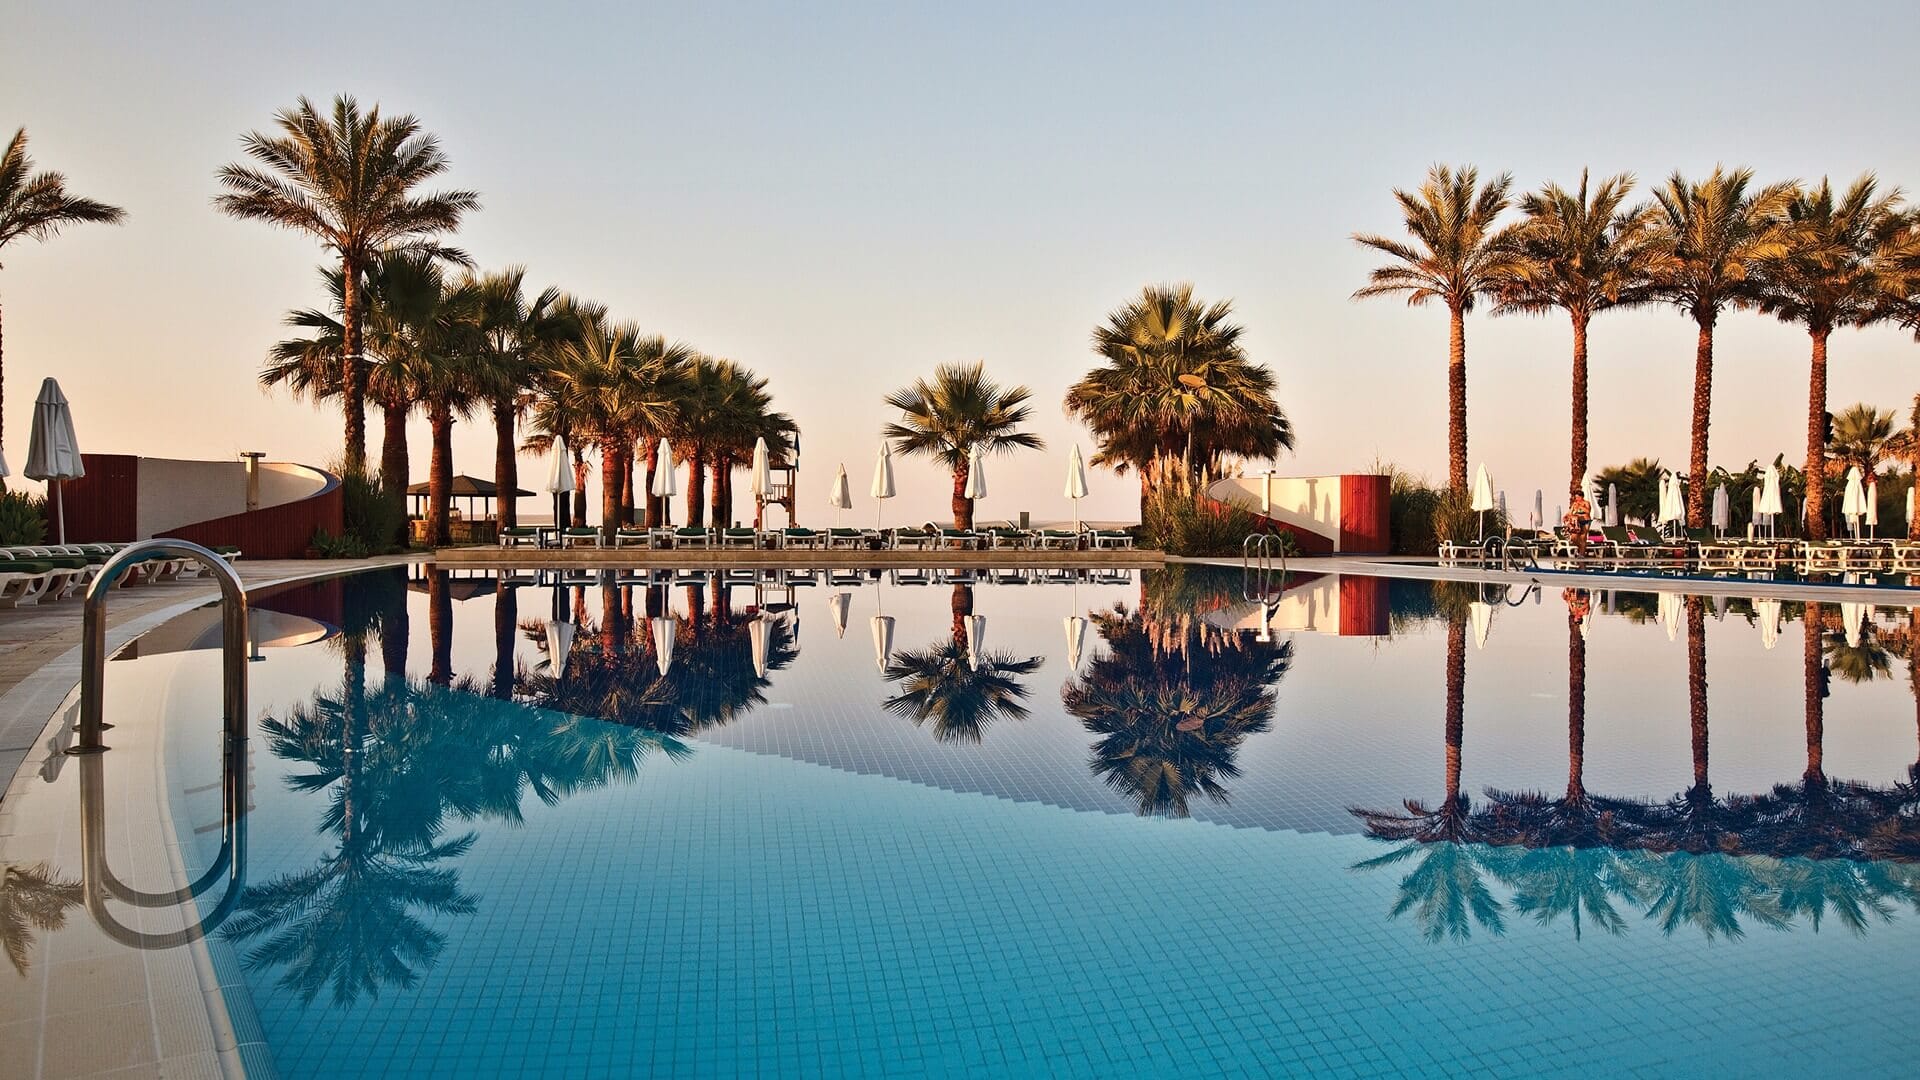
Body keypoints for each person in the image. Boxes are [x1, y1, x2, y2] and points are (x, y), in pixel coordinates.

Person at [1564, 488, 1593, 556]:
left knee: (1583, 538)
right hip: (1577, 522)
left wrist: (1580, 506)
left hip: (1585, 521)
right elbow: (1570, 512)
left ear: (1581, 496)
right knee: (1574, 538)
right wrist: (1566, 516)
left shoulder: (1586, 503)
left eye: (1578, 497)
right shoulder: (1574, 504)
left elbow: (1588, 511)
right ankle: (1581, 548)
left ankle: (1582, 554)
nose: (1577, 499)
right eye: (1576, 497)